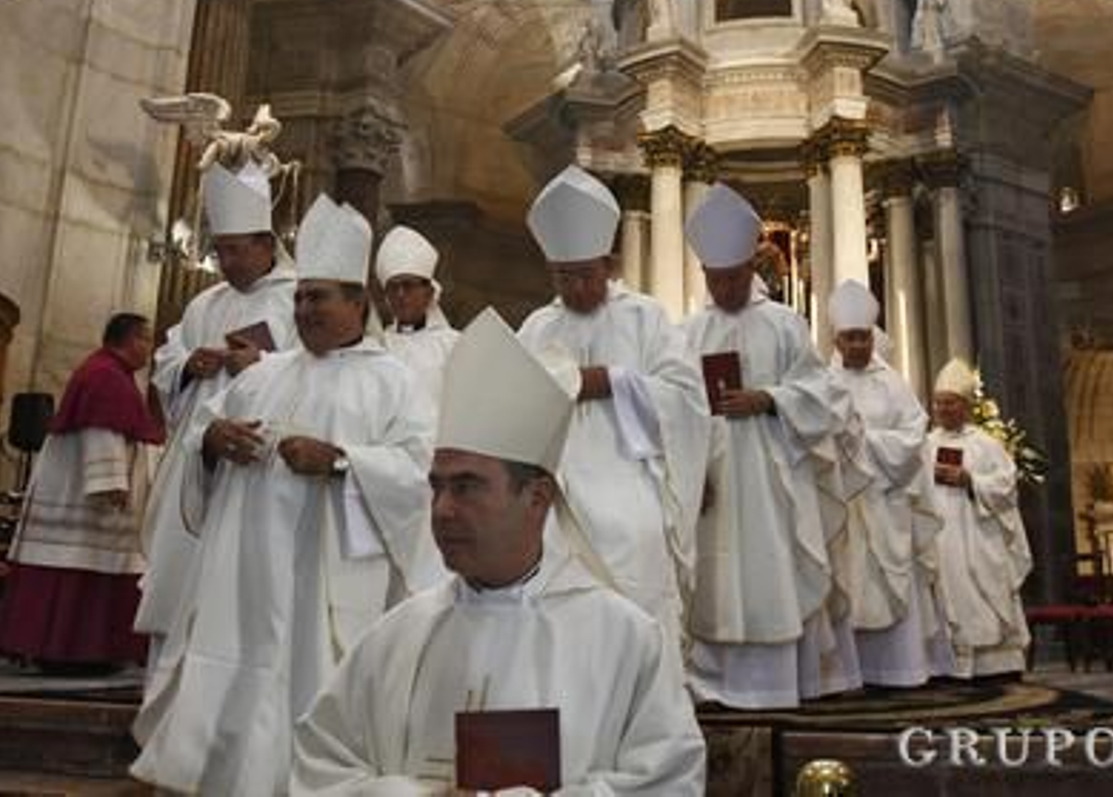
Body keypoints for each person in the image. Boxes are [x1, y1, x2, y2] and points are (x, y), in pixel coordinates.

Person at [292, 309, 706, 795]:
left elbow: (670, 781)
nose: (443, 510)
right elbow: (319, 766)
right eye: (437, 487)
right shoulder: (396, 637)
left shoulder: (625, 640)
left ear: (536, 498)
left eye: (467, 487)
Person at [131, 194, 440, 796]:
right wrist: (213, 440)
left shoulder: (394, 382)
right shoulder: (264, 374)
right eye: (298, 297)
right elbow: (198, 432)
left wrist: (344, 461)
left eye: (317, 296)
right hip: (243, 577)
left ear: (356, 303)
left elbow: (420, 470)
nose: (302, 308)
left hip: (327, 581)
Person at [517, 164, 710, 652]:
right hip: (555, 491)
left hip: (628, 486)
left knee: (636, 602)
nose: (577, 289)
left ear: (609, 265)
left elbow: (687, 397)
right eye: (564, 277)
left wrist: (611, 382)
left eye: (585, 275)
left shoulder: (645, 317)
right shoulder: (538, 327)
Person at [681, 183, 856, 708]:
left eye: (731, 277)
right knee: (713, 575)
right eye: (714, 279)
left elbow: (821, 394)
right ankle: (713, 683)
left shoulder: (784, 324)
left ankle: (778, 684)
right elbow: (674, 405)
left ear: (751, 269)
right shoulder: (687, 332)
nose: (723, 288)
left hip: (769, 470)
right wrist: (691, 473)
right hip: (711, 473)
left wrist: (770, 398)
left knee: (770, 569)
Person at [135, 160, 298, 677]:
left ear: (265, 245)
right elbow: (165, 360)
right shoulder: (204, 303)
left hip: (258, 455)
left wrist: (261, 364)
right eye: (219, 250)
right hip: (197, 458)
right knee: (185, 575)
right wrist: (189, 365)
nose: (223, 261)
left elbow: (317, 373)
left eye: (234, 250)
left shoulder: (300, 300)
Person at [0, 313, 162, 671]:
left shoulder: (107, 371)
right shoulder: (105, 376)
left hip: (79, 488)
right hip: (88, 496)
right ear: (130, 339)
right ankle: (75, 652)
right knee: (80, 565)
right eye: (146, 339)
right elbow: (102, 430)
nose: (150, 348)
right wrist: (110, 482)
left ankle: (78, 651)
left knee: (84, 566)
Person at [825, 280, 943, 689]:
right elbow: (815, 435)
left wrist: (864, 442)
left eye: (863, 337)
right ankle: (849, 672)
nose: (857, 345)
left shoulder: (893, 382)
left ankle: (899, 669)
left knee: (889, 578)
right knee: (846, 580)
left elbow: (913, 434)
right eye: (849, 338)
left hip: (885, 498)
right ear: (836, 340)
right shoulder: (823, 382)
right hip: (843, 501)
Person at [927, 358, 1032, 680]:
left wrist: (970, 480)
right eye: (939, 403)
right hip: (939, 534)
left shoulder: (985, 444)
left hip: (978, 532)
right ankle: (949, 665)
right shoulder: (925, 444)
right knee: (945, 593)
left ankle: (995, 664)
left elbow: (1006, 485)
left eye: (950, 403)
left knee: (982, 589)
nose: (943, 410)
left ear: (966, 406)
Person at [374, 224, 460, 410]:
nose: (400, 294)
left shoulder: (453, 345)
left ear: (428, 292)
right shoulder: (378, 345)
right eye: (393, 288)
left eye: (408, 285)